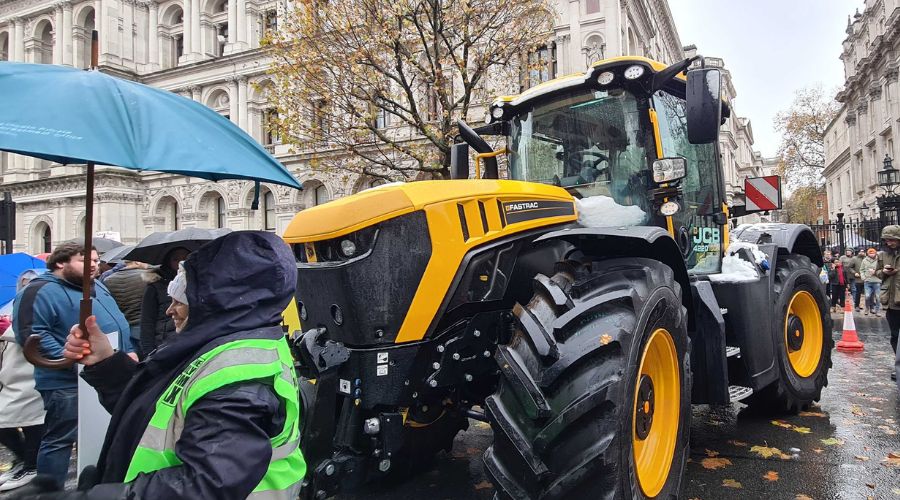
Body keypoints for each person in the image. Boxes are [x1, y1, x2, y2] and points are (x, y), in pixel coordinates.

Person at [21, 231, 306, 499]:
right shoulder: (215, 345)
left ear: (218, 299)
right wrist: (107, 363)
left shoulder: (239, 374)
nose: (170, 310)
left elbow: (204, 485)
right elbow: (160, 413)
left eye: (182, 298)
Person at [12, 243, 133, 490]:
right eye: (84, 260)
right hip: (65, 381)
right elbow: (32, 334)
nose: (94, 265)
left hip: (102, 373)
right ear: (60, 262)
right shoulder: (40, 290)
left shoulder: (96, 285)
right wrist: (72, 361)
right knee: (60, 439)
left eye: (96, 261)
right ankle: (49, 492)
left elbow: (117, 320)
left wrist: (128, 349)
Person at [0, 271, 47, 492]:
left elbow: (31, 334)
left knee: (32, 423)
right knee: (14, 422)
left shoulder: (42, 308)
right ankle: (24, 461)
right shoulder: (16, 306)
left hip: (31, 375)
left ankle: (30, 465)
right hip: (14, 375)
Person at [139, 247, 189, 356]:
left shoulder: (197, 285)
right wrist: (149, 353)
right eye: (175, 259)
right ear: (168, 262)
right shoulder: (155, 286)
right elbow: (147, 321)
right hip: (163, 345)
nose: (180, 262)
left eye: (185, 258)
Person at [103, 261, 149, 360]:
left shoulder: (108, 280)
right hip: (144, 326)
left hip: (124, 328)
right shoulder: (146, 277)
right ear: (137, 262)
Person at [876, 225, 900, 381]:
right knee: (895, 336)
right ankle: (898, 366)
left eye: (892, 240)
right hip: (891, 302)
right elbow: (877, 273)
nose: (889, 243)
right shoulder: (883, 255)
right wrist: (883, 272)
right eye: (887, 240)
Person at [860, 248, 881, 316]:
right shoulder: (864, 260)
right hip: (867, 281)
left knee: (878, 297)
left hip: (877, 281)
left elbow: (882, 269)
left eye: (873, 253)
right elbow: (861, 270)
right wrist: (863, 277)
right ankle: (867, 308)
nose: (871, 254)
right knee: (867, 296)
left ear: (875, 253)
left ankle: (877, 311)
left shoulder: (879, 260)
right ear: (867, 254)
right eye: (870, 253)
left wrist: (875, 272)